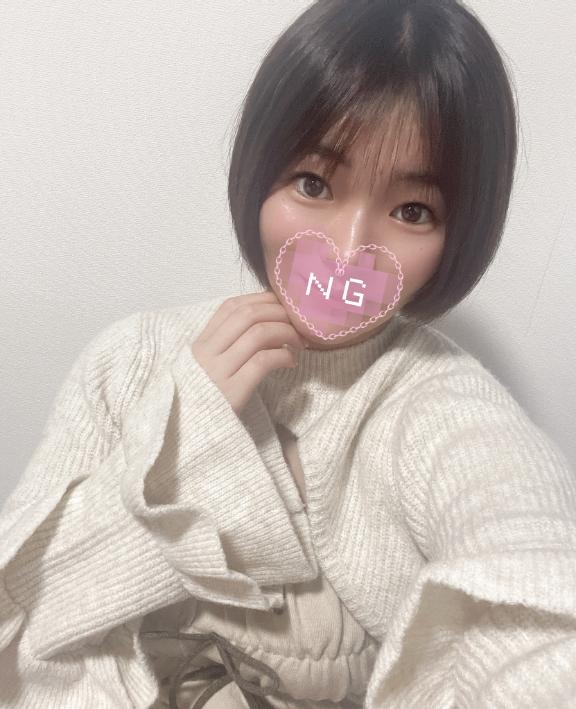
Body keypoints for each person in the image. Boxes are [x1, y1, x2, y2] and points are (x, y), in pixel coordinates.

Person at [2, 0, 575, 707]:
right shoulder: (129, 362)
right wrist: (182, 442)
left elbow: (529, 574)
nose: (349, 248)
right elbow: (21, 620)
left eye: (412, 211)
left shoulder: (441, 402)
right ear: (260, 172)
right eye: (314, 183)